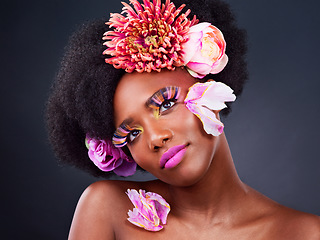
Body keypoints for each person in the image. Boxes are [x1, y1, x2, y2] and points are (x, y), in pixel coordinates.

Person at [46, 0, 320, 239]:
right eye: (131, 134)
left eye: (165, 103)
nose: (155, 138)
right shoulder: (107, 209)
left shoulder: (306, 233)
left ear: (209, 83)